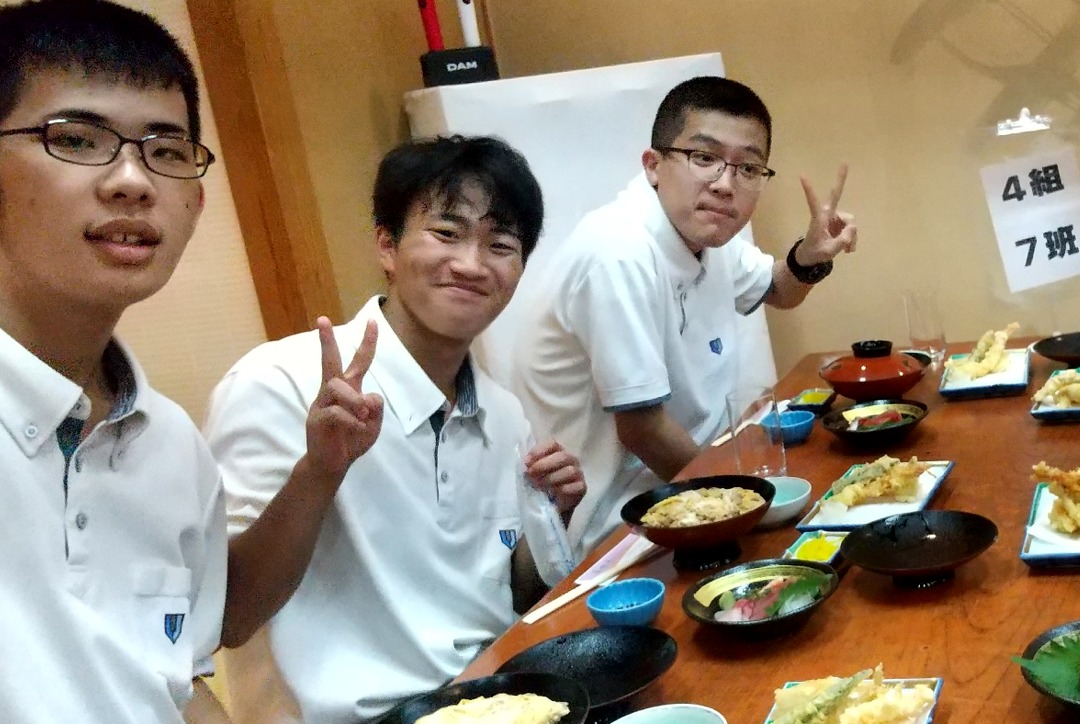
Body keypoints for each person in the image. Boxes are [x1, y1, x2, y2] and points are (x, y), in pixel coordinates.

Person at [203, 134, 587, 722]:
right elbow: (231, 616)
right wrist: (319, 472)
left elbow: (505, 595)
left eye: (500, 245)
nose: (471, 264)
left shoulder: (504, 412)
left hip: (495, 699)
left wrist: (549, 516)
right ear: (387, 245)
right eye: (447, 233)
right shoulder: (279, 382)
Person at [512, 76, 858, 556]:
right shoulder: (618, 252)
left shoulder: (703, 231)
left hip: (694, 486)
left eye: (748, 168)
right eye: (704, 157)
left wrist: (810, 257)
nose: (725, 184)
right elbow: (643, 429)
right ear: (653, 165)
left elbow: (778, 289)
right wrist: (744, 504)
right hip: (620, 529)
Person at [0, 0, 229, 721]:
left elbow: (179, 686)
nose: (133, 180)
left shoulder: (174, 447)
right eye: (75, 138)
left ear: (195, 202)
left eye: (166, 151)